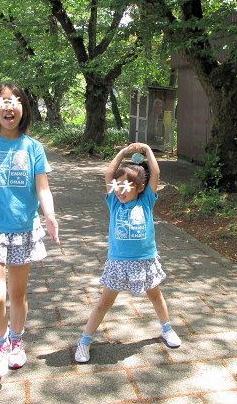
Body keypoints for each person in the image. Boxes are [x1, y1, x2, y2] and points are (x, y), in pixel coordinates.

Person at [0, 82, 60, 378]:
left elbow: (43, 188)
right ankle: (0, 344)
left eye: (16, 100)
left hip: (23, 230)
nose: (10, 105)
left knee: (17, 294)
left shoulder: (33, 148)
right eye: (4, 100)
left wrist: (50, 216)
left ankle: (17, 341)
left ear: (23, 110)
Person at [74, 142, 181, 363]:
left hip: (145, 260)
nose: (120, 190)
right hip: (118, 262)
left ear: (139, 187)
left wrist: (148, 151)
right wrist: (123, 153)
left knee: (155, 296)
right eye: (118, 185)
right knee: (104, 302)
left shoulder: (147, 201)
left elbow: (156, 173)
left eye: (126, 186)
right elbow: (108, 174)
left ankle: (167, 328)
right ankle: (84, 341)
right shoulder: (114, 202)